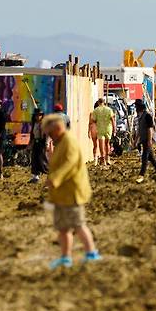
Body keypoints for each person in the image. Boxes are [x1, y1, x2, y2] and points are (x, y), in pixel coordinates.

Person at [43, 114, 101, 269]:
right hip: (61, 194)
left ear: (57, 129)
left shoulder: (69, 141)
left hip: (72, 192)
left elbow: (69, 163)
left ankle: (91, 253)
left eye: (50, 132)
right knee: (63, 227)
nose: (49, 136)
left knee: (78, 224)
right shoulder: (60, 142)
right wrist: (50, 156)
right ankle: (65, 257)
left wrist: (55, 178)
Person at [134, 100, 156, 183]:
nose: (135, 108)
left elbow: (150, 129)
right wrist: (136, 140)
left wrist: (149, 140)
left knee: (144, 158)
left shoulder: (147, 116)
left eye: (136, 106)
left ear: (139, 107)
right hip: (143, 139)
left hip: (147, 140)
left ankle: (141, 175)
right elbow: (139, 130)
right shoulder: (140, 117)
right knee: (152, 158)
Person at [91, 98, 115, 167]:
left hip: (100, 129)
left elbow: (93, 120)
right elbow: (112, 120)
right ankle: (108, 158)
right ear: (104, 102)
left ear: (98, 103)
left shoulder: (96, 110)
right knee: (107, 144)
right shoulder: (109, 110)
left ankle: (103, 159)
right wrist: (114, 129)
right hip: (108, 129)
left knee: (101, 145)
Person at [28, 109, 49, 183]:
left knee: (42, 160)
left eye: (39, 115)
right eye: (36, 115)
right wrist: (30, 143)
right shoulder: (34, 123)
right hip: (35, 143)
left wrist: (46, 143)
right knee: (34, 159)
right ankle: (35, 176)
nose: (38, 116)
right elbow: (32, 134)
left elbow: (46, 135)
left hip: (41, 143)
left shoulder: (43, 124)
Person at [88, 101, 99, 165]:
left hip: (93, 129)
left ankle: (95, 159)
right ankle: (99, 158)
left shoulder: (92, 113)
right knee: (100, 144)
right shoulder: (100, 113)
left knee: (95, 145)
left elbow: (89, 123)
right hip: (99, 128)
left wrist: (88, 131)